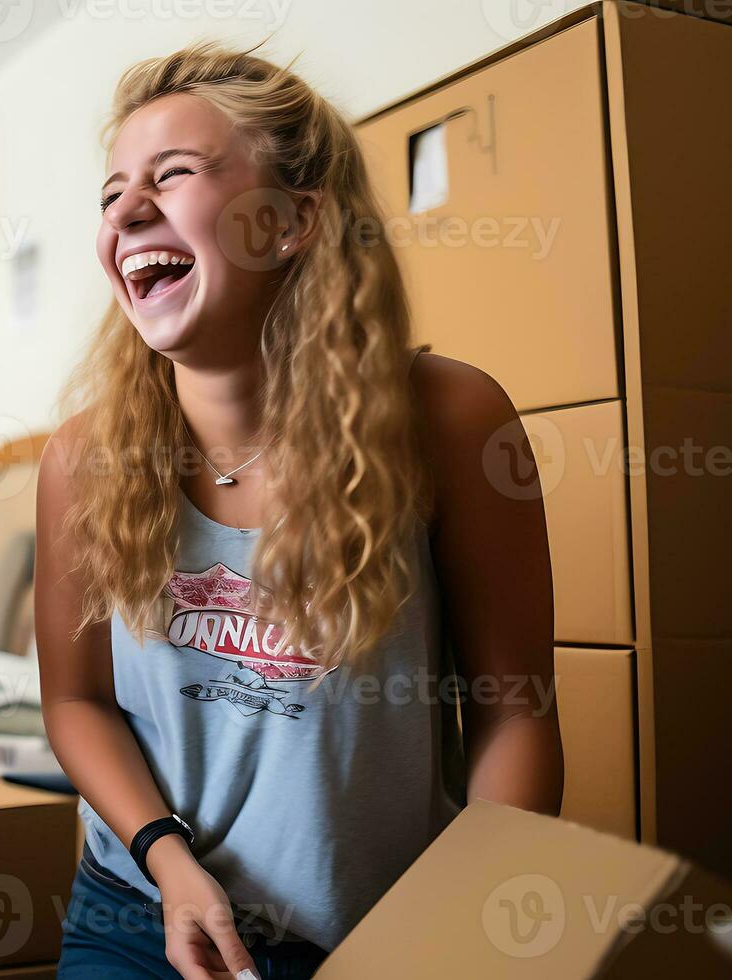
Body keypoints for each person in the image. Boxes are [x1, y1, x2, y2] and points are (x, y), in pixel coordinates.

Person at [36, 43, 564, 980]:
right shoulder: (83, 458)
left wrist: (469, 926)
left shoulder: (449, 422)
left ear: (291, 219)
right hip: (138, 912)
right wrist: (166, 862)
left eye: (175, 175)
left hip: (381, 937)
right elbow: (76, 701)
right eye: (112, 192)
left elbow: (513, 715)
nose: (124, 210)